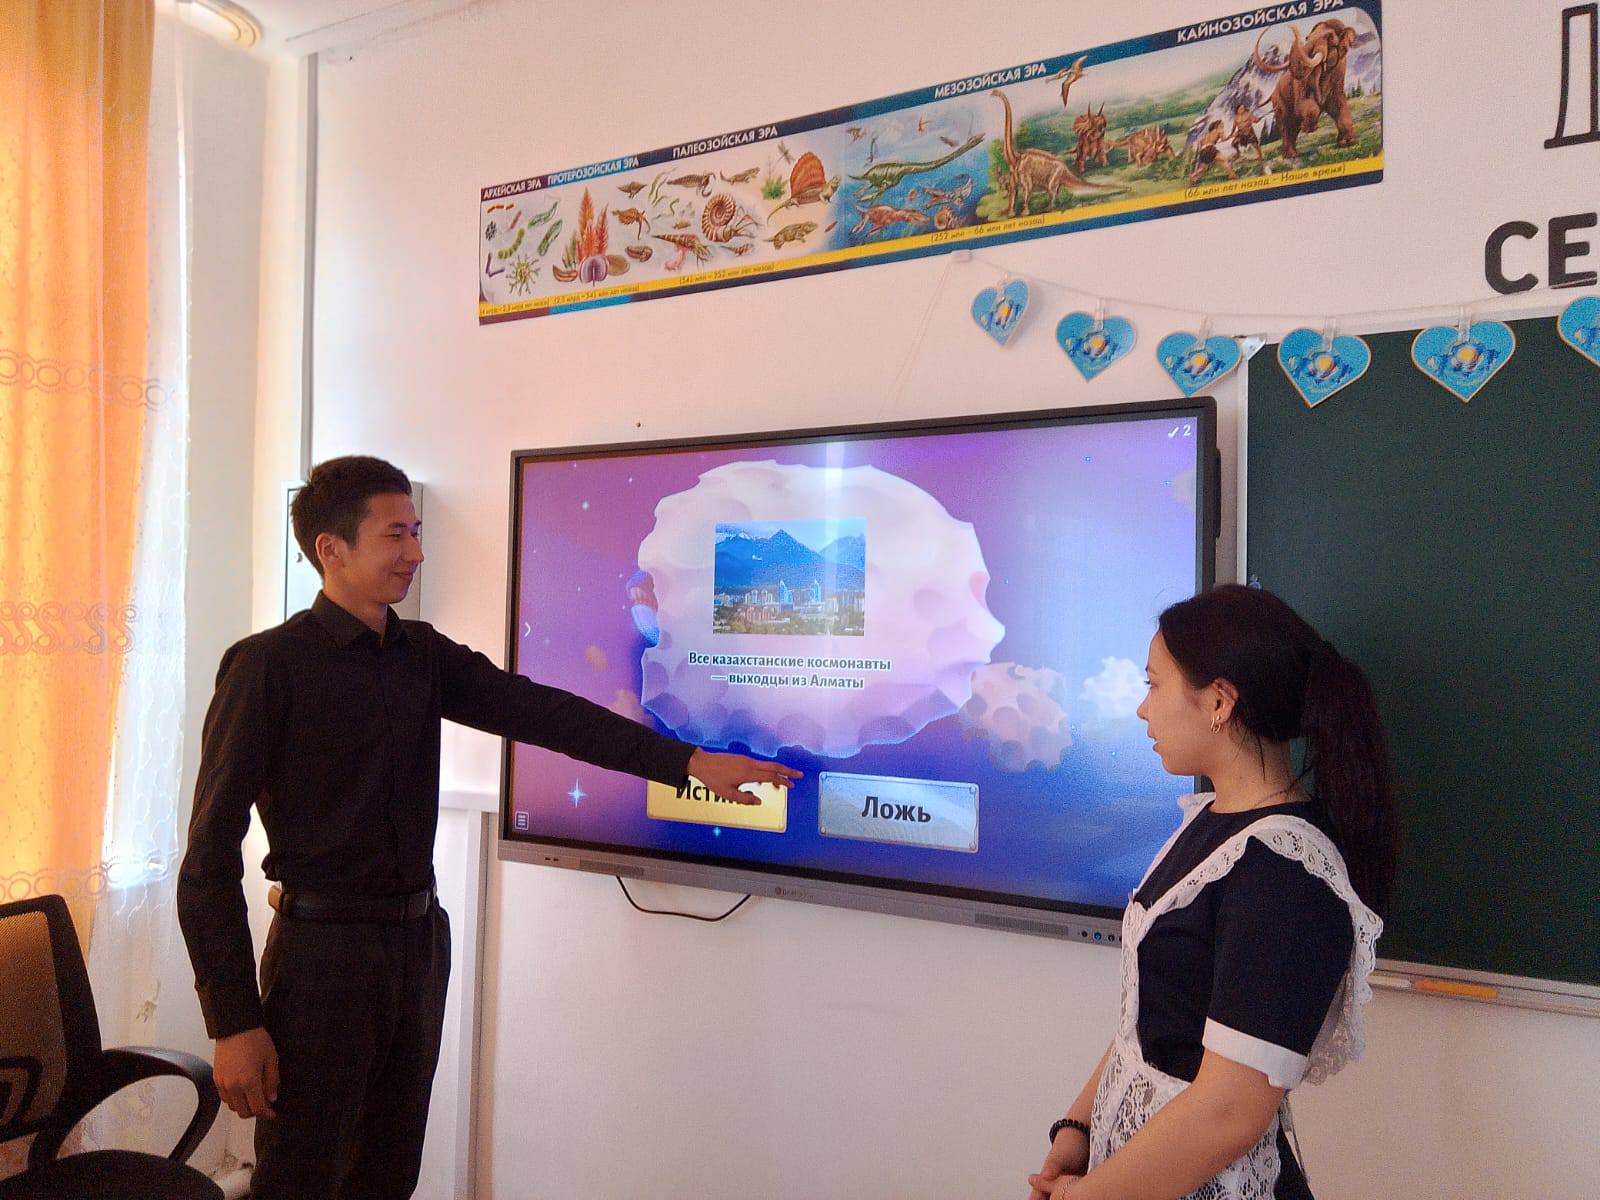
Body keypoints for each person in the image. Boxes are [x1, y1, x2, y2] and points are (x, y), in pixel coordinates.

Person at [177, 456, 799, 1200]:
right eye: (395, 535)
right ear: (331, 549)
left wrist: (689, 761)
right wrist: (233, 1022)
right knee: (300, 1178)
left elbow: (546, 715)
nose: (415, 552)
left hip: (417, 948)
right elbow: (208, 857)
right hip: (321, 961)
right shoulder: (267, 667)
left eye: (416, 531)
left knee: (387, 1174)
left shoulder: (421, 655)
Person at [1027, 584, 1398, 1200]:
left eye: (1153, 685)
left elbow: (1228, 1113)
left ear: (1220, 702)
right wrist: (1079, 1126)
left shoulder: (1286, 872)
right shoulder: (1211, 821)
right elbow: (1154, 1018)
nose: (1142, 709)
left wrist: (1085, 1196)